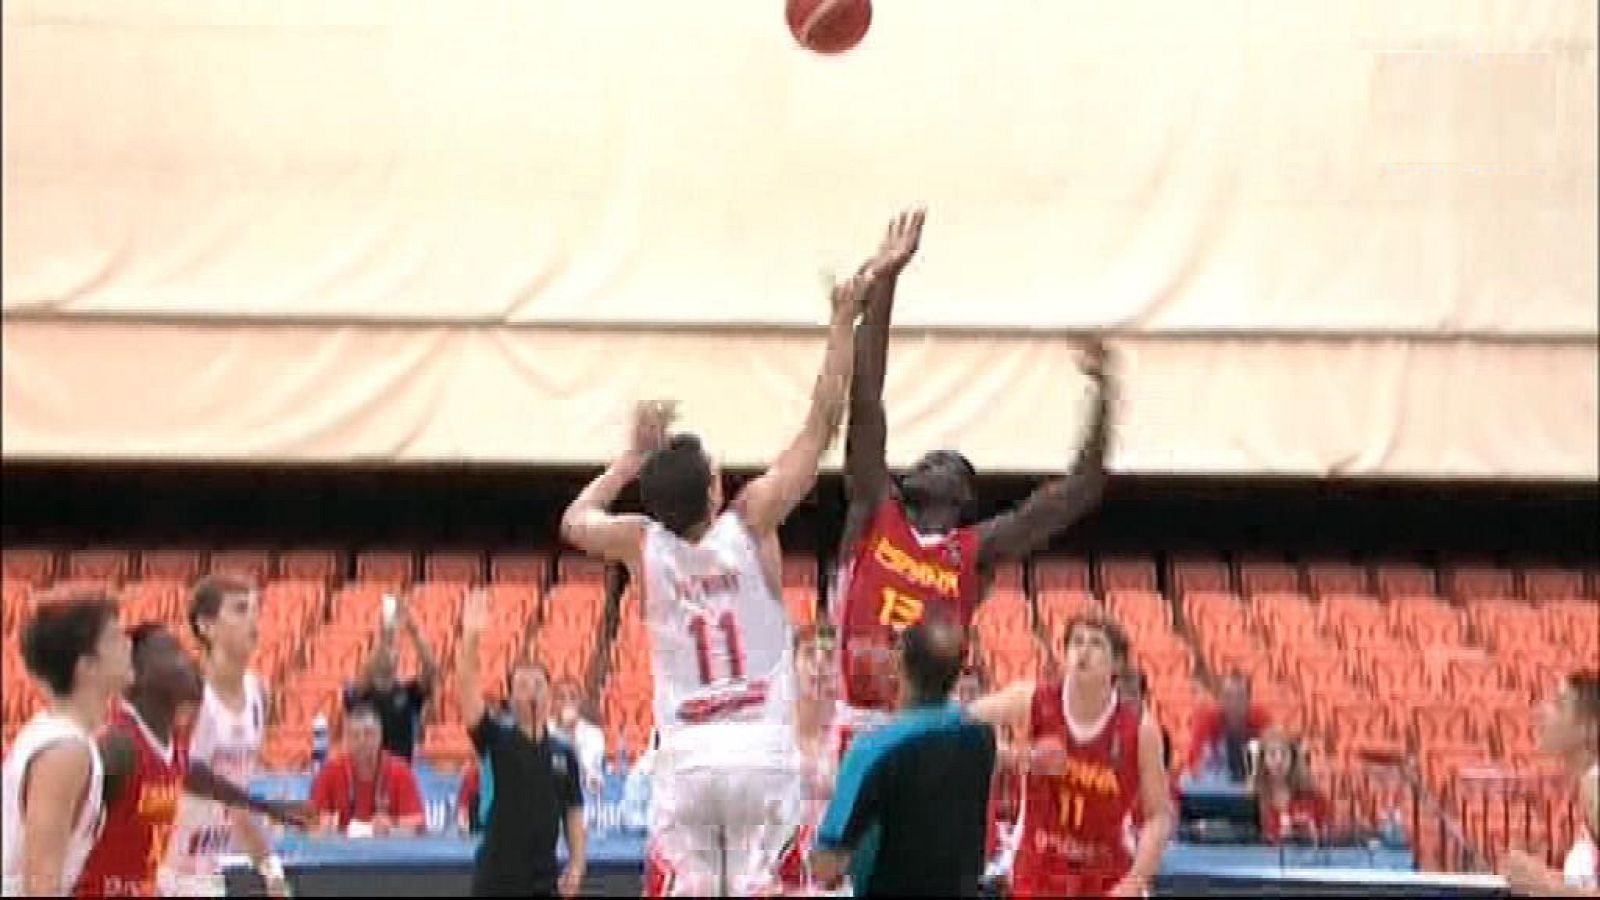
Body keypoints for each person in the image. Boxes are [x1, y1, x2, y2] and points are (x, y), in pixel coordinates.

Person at [559, 268, 868, 896]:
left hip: (688, 759)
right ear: (713, 488)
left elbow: (574, 520)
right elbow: (821, 426)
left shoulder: (643, 544)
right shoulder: (751, 524)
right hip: (761, 754)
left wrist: (627, 462)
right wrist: (841, 322)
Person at [833, 208, 1112, 754]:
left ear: (962, 495)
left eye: (943, 460)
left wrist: (1104, 397)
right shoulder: (875, 509)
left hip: (923, 731)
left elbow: (1075, 493)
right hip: (855, 724)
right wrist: (885, 283)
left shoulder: (973, 552)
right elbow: (865, 399)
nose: (926, 462)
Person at [76, 623, 310, 897]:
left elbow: (202, 779)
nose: (188, 661)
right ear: (137, 676)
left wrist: (266, 807)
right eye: (172, 653)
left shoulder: (171, 749)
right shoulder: (119, 747)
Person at [970, 615, 1174, 898]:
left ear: (1116, 664)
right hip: (1038, 870)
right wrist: (1019, 757)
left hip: (1107, 874)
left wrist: (1133, 883)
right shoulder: (1030, 699)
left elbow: (1159, 816)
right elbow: (960, 722)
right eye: (1076, 642)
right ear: (1064, 654)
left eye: (1096, 644)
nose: (1084, 651)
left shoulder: (1140, 728)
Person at [808, 618, 997, 897]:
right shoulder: (982, 736)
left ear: (898, 663)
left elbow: (826, 866)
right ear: (958, 673)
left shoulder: (872, 750)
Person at [161, 576, 287, 897]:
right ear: (206, 626)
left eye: (255, 610)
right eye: (240, 610)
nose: (253, 621)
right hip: (162, 873)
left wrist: (272, 873)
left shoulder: (258, 692)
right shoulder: (187, 698)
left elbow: (236, 800)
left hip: (207, 875)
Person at [2, 593, 132, 896]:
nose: (129, 644)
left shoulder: (70, 739)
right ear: (86, 666)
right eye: (115, 638)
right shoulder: (64, 750)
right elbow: (41, 883)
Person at [456, 594, 587, 897]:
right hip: (497, 880)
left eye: (539, 685)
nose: (532, 693)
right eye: (523, 686)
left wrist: (577, 863)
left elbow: (573, 808)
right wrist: (472, 637)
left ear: (550, 696)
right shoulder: (495, 739)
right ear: (511, 698)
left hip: (544, 879)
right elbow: (467, 690)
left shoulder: (563, 753)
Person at [1502, 670, 1600, 896]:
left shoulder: (1594, 787)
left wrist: (1543, 883)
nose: (1541, 711)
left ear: (1589, 729)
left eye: (1559, 705)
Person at [343, 593, 438, 762]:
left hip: (400, 771)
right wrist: (385, 635)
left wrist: (413, 631)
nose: (389, 654)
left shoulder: (408, 693)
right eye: (384, 652)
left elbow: (430, 669)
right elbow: (366, 671)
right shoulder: (362, 693)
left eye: (394, 652)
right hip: (368, 770)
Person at [308, 703, 425, 838]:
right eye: (355, 736)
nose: (362, 741)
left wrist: (392, 825)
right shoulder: (331, 770)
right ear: (346, 739)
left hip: (386, 852)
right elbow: (313, 823)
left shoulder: (399, 770)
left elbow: (417, 824)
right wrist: (323, 825)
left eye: (368, 734)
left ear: (380, 736)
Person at [1183, 671, 1270, 782]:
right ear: (1219, 699)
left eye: (1240, 697)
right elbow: (1194, 762)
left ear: (1249, 700)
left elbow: (1273, 754)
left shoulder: (1261, 717)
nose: (1234, 703)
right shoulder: (1206, 718)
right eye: (1228, 696)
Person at [1248, 729, 1328, 845]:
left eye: (1284, 754)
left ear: (1293, 759)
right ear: (1262, 760)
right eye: (1272, 754)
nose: (1279, 760)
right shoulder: (1253, 797)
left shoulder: (1313, 796)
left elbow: (1327, 836)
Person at [548, 681, 606, 795]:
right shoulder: (542, 731)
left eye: (573, 697)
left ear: (581, 701)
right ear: (553, 701)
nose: (567, 702)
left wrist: (571, 735)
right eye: (561, 697)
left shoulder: (594, 735)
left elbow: (594, 780)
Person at [456, 760, 482, 836]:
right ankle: (465, 827)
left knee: (468, 809)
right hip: (470, 792)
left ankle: (466, 827)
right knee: (467, 809)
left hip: (471, 792)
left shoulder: (474, 769)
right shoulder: (474, 769)